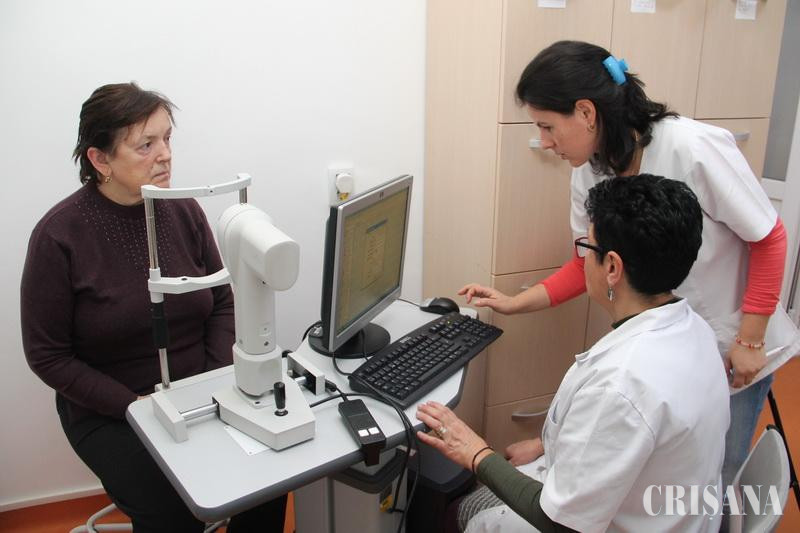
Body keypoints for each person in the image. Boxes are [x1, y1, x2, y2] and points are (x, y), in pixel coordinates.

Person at [458, 40, 800, 503]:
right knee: (668, 469)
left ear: (586, 112)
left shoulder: (691, 148)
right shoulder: (590, 169)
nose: (545, 141)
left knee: (712, 476)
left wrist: (751, 338)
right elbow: (587, 260)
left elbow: (768, 236)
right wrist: (517, 302)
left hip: (730, 341)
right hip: (670, 340)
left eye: (547, 126)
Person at [20, 83, 287, 532]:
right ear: (100, 159)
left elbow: (221, 300)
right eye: (146, 145)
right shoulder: (59, 236)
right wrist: (135, 406)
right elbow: (48, 356)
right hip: (113, 409)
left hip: (200, 387)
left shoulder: (183, 210)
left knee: (270, 474)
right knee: (172, 509)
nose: (165, 155)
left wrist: (211, 380)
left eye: (167, 138)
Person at [419, 174, 730, 532]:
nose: (582, 259)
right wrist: (546, 445)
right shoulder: (695, 330)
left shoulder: (620, 385)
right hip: (672, 511)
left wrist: (475, 452)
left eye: (587, 247)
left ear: (611, 267)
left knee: (455, 515)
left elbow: (559, 524)